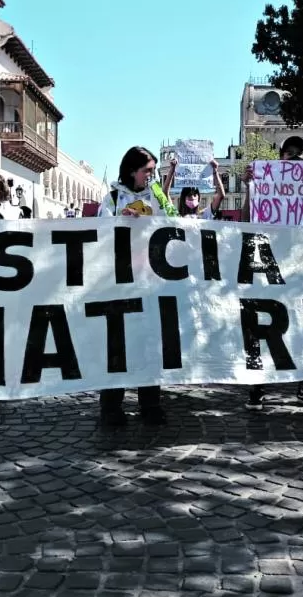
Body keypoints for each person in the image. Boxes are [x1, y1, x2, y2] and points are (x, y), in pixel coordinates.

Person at [242, 135, 303, 409]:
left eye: (299, 153)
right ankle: (257, 386)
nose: (294, 157)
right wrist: (249, 189)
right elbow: (245, 221)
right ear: (280, 158)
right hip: (269, 266)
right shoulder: (265, 185)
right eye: (289, 153)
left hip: (302, 267)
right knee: (265, 325)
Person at [96, 146, 176, 426]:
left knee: (149, 344)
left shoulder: (157, 195)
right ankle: (111, 407)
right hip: (118, 283)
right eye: (147, 171)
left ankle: (151, 404)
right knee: (117, 345)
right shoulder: (113, 197)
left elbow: (172, 221)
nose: (151, 176)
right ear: (132, 170)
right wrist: (122, 221)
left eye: (153, 171)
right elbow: (99, 232)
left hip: (150, 281)